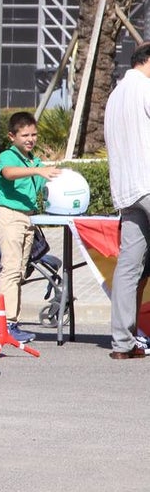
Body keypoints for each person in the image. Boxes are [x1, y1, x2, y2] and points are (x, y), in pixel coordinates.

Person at [0, 111, 61, 345]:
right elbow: (8, 174)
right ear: (12, 136)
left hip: (27, 219)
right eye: (25, 135)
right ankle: (6, 324)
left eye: (34, 134)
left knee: (20, 272)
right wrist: (38, 170)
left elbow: (46, 179)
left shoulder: (33, 160)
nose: (30, 139)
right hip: (9, 217)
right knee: (10, 270)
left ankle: (12, 323)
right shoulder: (8, 157)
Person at [103, 44, 150, 359]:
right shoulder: (145, 88)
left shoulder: (115, 95)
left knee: (129, 267)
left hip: (127, 190)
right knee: (131, 267)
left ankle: (122, 343)